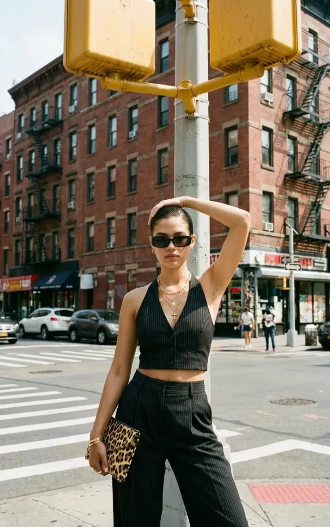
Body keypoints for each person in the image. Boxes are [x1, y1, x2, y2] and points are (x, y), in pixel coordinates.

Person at [87, 196, 251, 527]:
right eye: (162, 239)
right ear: (152, 245)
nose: (171, 246)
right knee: (135, 520)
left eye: (179, 238)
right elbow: (120, 370)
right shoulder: (134, 300)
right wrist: (96, 435)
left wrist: (186, 200)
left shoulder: (210, 287)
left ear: (192, 242)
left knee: (229, 520)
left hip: (192, 413)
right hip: (137, 411)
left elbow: (242, 222)